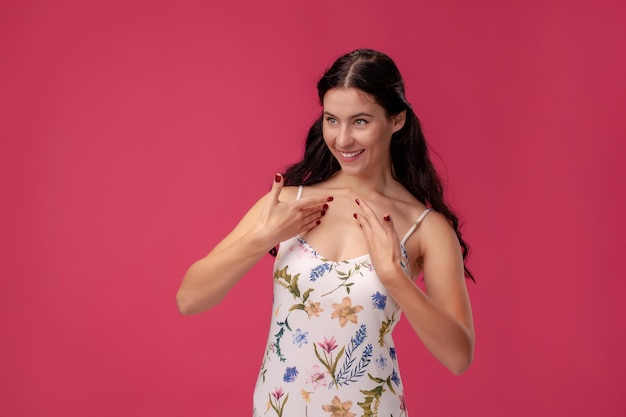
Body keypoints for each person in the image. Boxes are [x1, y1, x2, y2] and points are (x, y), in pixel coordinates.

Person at [177, 49, 475, 417]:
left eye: (361, 122)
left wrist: (394, 277)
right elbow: (189, 299)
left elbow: (459, 357)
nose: (343, 139)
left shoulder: (426, 228)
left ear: (396, 120)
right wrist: (263, 237)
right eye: (332, 120)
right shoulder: (287, 202)